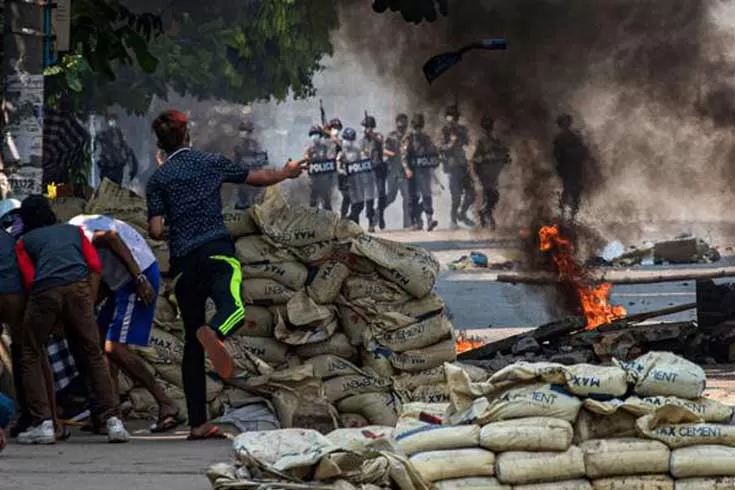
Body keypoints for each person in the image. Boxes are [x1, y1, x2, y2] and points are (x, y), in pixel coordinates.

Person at [146, 109, 304, 440]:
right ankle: (216, 333)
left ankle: (198, 423)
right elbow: (257, 178)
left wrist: (177, 221)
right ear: (187, 135)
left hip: (184, 267)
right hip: (218, 254)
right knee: (233, 309)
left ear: (160, 143)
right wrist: (288, 173)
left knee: (191, 344)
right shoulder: (210, 163)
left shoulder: (159, 179)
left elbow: (156, 230)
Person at [14, 195, 129, 444]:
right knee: (94, 354)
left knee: (31, 352)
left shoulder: (25, 242)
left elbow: (29, 279)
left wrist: (50, 315)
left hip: (44, 292)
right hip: (79, 289)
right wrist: (87, 300)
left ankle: (43, 423)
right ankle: (113, 421)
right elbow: (94, 264)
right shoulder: (74, 232)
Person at [69, 214, 183, 433]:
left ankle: (166, 403)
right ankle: (111, 412)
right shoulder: (74, 231)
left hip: (134, 278)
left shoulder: (78, 236)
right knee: (100, 342)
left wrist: (139, 279)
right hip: (118, 280)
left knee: (115, 348)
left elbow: (111, 237)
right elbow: (95, 273)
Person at [439, 104, 475, 229]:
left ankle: (462, 214)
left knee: (471, 194)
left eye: (454, 117)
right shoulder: (444, 131)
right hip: (452, 166)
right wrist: (451, 143)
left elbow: (468, 144)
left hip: (463, 165)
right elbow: (441, 148)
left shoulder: (462, 130)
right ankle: (453, 220)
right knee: (456, 196)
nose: (452, 119)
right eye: (450, 116)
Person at [472, 115, 511, 230]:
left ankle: (484, 213)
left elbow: (504, 155)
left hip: (493, 173)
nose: (488, 129)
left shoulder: (495, 141)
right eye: (487, 127)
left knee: (493, 196)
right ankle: (486, 215)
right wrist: (482, 164)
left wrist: (505, 158)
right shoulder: (481, 142)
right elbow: (476, 158)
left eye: (489, 126)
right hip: (485, 173)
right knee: (491, 195)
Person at [401, 113, 439, 231]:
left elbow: (433, 153)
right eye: (416, 127)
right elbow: (403, 156)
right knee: (412, 197)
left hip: (423, 171)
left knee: (427, 195)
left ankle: (429, 219)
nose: (418, 130)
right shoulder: (408, 139)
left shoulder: (426, 139)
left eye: (419, 127)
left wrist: (433, 163)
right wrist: (407, 169)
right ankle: (415, 221)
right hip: (411, 172)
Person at [553, 114, 589, 221]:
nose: (566, 124)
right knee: (567, 190)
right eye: (564, 122)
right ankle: (563, 215)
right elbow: (556, 155)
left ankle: (573, 217)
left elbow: (584, 151)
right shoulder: (559, 139)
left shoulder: (575, 136)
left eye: (567, 121)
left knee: (575, 192)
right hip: (566, 168)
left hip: (575, 167)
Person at [339, 128, 376, 230]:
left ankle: (350, 220)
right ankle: (345, 221)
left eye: (351, 139)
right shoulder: (341, 152)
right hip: (346, 181)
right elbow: (338, 166)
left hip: (357, 180)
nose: (349, 142)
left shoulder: (357, 151)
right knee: (348, 200)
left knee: (359, 204)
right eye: (347, 139)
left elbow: (364, 162)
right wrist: (344, 172)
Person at [233, 120, 269, 210]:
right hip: (243, 178)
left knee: (256, 203)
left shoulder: (256, 145)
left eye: (244, 130)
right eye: (241, 130)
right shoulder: (238, 146)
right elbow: (235, 162)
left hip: (254, 177)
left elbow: (263, 160)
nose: (242, 133)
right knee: (242, 203)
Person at [385, 114, 412, 229]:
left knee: (407, 197)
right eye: (400, 125)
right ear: (396, 124)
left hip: (404, 171)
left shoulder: (409, 137)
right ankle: (375, 216)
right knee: (391, 197)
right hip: (393, 170)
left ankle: (407, 224)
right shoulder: (391, 136)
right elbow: (385, 151)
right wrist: (395, 154)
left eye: (404, 125)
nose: (402, 127)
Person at [95, 117, 139, 186]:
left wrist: (132, 169)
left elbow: (128, 152)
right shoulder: (102, 135)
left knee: (114, 188)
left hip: (116, 168)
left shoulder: (119, 134)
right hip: (107, 168)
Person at [361, 115, 386, 231]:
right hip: (367, 171)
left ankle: (380, 215)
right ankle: (371, 221)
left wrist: (372, 135)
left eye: (368, 126)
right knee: (369, 197)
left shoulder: (378, 136)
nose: (366, 129)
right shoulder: (361, 141)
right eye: (365, 127)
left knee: (381, 194)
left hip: (379, 169)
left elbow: (381, 141)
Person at [305, 125, 337, 210]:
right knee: (313, 202)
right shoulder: (309, 149)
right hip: (314, 181)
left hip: (325, 180)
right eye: (313, 134)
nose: (314, 137)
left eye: (316, 134)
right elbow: (306, 160)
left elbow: (331, 159)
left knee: (326, 203)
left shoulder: (325, 147)